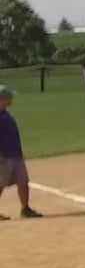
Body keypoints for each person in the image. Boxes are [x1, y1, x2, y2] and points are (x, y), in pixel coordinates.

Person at [0, 86, 42, 220]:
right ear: (2, 99)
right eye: (9, 97)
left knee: (23, 182)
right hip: (4, 156)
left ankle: (25, 209)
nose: (11, 99)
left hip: (16, 155)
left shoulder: (5, 114)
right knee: (0, 184)